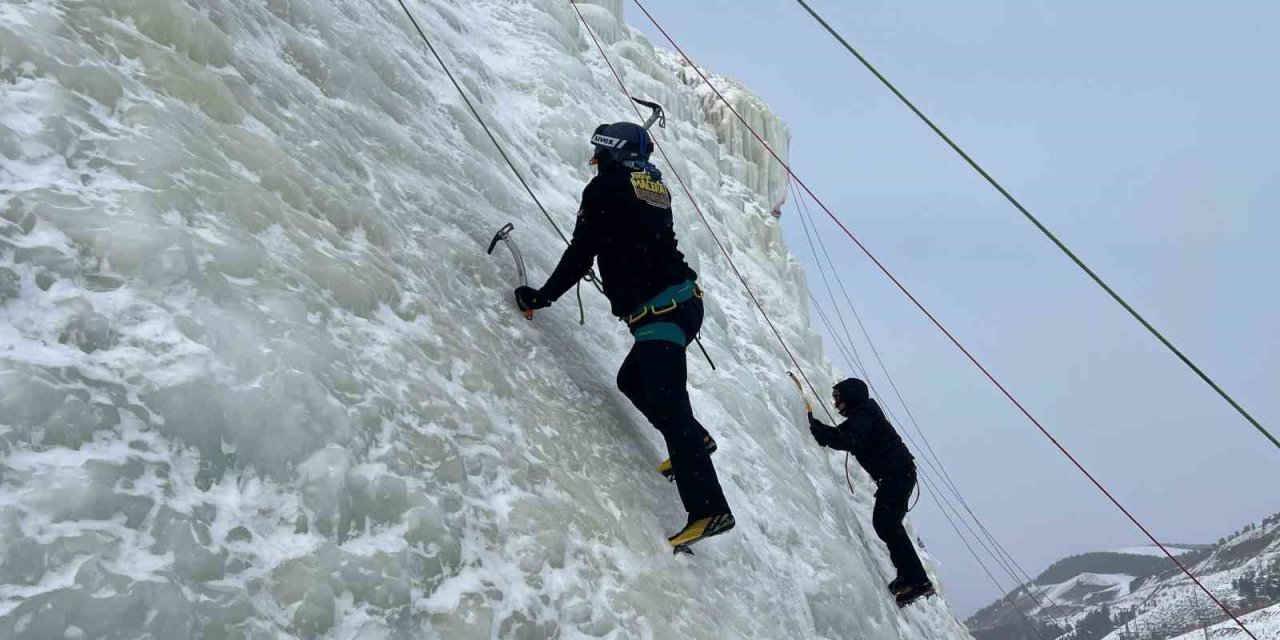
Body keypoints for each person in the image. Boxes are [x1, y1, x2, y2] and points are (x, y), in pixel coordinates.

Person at [513, 120, 733, 551]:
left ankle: (709, 508)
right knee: (632, 381)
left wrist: (543, 297)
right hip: (683, 303)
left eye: (598, 154)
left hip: (660, 310)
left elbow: (581, 252)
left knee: (671, 404)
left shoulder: (606, 188)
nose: (595, 162)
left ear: (611, 152)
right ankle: (697, 439)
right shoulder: (652, 183)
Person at [807, 378, 935, 606]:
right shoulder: (863, 415)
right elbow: (840, 433)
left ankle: (917, 580)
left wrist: (822, 434)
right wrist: (818, 428)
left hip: (896, 475)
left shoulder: (864, 416)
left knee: (887, 523)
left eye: (838, 399)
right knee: (886, 524)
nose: (836, 405)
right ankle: (909, 576)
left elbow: (850, 440)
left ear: (851, 397)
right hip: (898, 475)